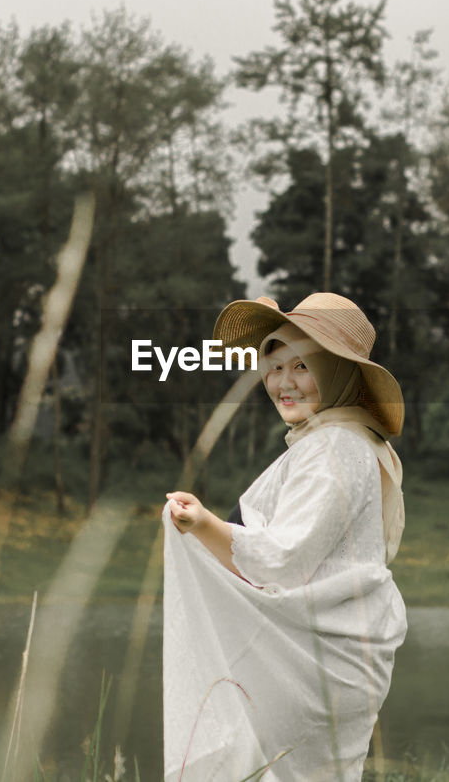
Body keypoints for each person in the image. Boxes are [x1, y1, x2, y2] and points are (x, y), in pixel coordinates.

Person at [162, 292, 407, 781]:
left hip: (315, 668)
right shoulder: (339, 440)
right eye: (273, 367)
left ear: (338, 372)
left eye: (302, 366)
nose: (283, 384)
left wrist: (205, 523)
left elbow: (285, 560)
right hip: (323, 662)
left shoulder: (337, 446)